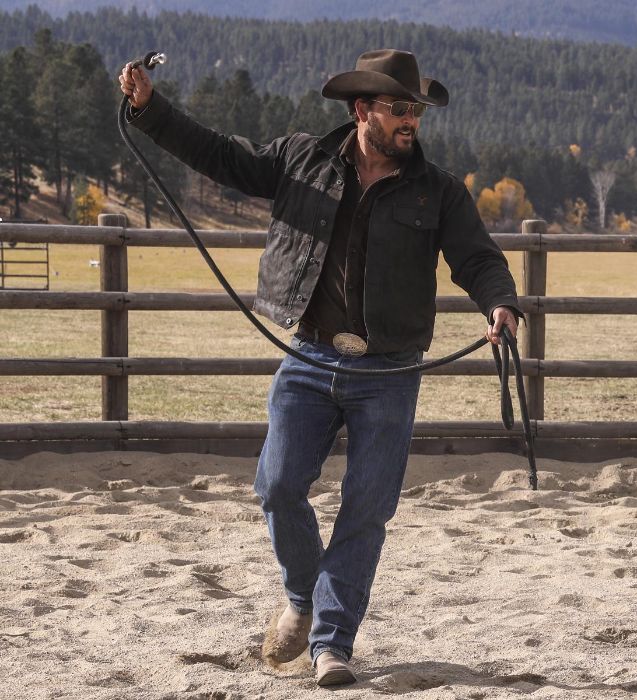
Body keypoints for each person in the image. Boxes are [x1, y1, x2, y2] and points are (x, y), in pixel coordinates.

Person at [119, 49, 522, 686]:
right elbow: (221, 155)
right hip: (309, 356)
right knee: (277, 488)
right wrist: (150, 110)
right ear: (362, 110)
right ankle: (304, 601)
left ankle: (331, 643)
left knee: (366, 508)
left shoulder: (437, 191)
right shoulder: (300, 159)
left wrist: (500, 303)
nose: (410, 119)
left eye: (415, 109)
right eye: (398, 108)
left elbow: (477, 257)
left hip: (389, 370)